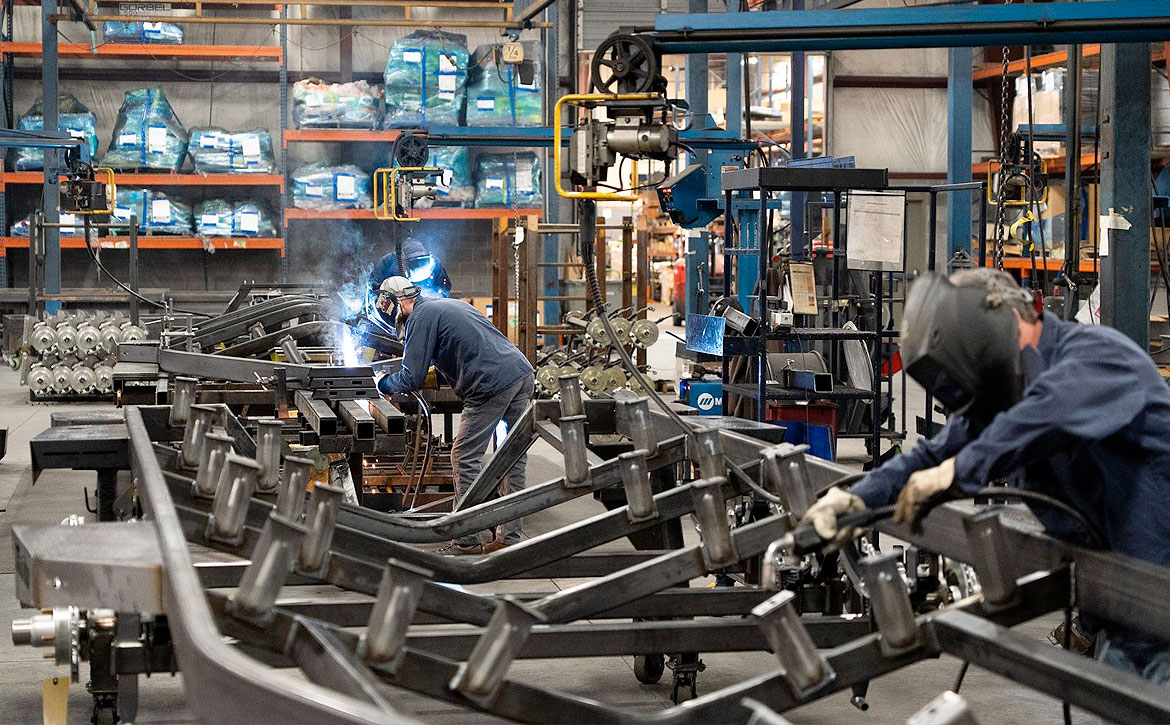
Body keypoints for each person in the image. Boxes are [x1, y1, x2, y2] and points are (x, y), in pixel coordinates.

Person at [801, 268, 1170, 684]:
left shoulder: (1094, 356)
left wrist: (956, 473)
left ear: (1001, 321)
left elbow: (1043, 418)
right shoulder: (1008, 394)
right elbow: (935, 452)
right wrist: (857, 498)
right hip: (1127, 615)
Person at [375, 276, 535, 555]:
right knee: (510, 458)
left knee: (463, 457)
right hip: (520, 374)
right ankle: (509, 540)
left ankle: (467, 541)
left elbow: (411, 376)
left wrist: (382, 383)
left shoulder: (419, 318)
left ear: (396, 303)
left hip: (491, 386)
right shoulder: (444, 306)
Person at [368, 238, 452, 301]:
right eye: (414, 263)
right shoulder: (388, 262)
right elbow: (373, 286)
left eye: (421, 262)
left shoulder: (434, 263)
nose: (419, 265)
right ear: (404, 261)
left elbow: (445, 286)